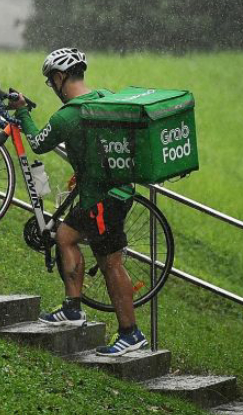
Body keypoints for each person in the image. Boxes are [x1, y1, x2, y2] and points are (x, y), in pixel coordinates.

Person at [9, 48, 148, 356]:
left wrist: (22, 112)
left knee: (111, 263)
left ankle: (131, 332)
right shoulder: (106, 98)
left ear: (60, 78)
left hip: (103, 201)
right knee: (65, 235)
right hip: (114, 192)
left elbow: (37, 143)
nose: (52, 87)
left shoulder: (68, 116)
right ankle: (72, 308)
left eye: (51, 81)